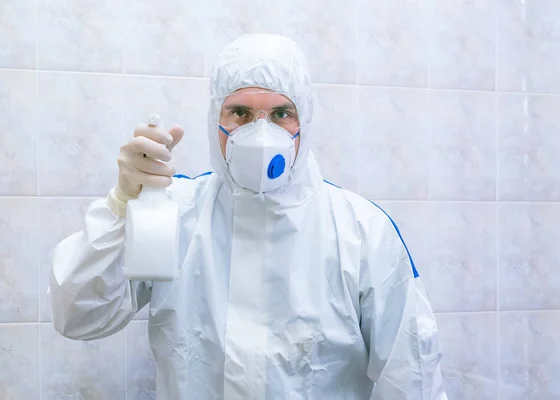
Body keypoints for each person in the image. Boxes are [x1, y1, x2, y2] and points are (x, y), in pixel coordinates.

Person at [50, 34, 447, 399]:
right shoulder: (175, 213)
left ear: (304, 121)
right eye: (239, 112)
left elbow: (412, 378)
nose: (261, 134)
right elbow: (80, 316)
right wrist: (123, 203)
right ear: (215, 121)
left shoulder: (361, 231)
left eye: (280, 114)